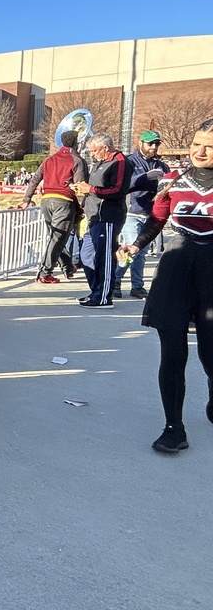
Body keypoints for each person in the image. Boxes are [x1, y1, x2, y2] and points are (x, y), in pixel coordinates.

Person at [117, 119, 213, 453]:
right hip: (175, 267)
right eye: (196, 143)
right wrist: (135, 245)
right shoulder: (173, 180)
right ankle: (174, 427)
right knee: (172, 352)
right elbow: (157, 219)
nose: (200, 151)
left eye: (209, 146)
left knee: (209, 352)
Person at [18, 130, 88, 283]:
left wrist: (26, 199)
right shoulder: (77, 160)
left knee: (56, 237)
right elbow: (80, 186)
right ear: (76, 142)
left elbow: (34, 179)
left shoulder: (49, 159)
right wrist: (83, 208)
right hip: (64, 201)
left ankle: (68, 267)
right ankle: (44, 273)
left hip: (46, 201)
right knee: (58, 238)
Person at [71, 132, 130, 307]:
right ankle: (96, 291)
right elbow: (95, 188)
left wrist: (91, 188)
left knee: (104, 258)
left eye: (94, 151)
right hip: (94, 216)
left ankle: (104, 296)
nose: (92, 154)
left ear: (105, 148)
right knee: (87, 254)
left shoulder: (120, 162)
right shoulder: (100, 163)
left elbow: (118, 191)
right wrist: (85, 190)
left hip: (108, 217)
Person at [113, 129, 169, 299]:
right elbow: (123, 186)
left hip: (151, 214)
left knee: (141, 250)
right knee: (132, 247)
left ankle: (134, 285)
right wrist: (145, 177)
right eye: (150, 143)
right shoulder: (129, 161)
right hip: (132, 211)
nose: (154, 147)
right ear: (141, 143)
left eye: (156, 144)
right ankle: (118, 281)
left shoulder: (162, 165)